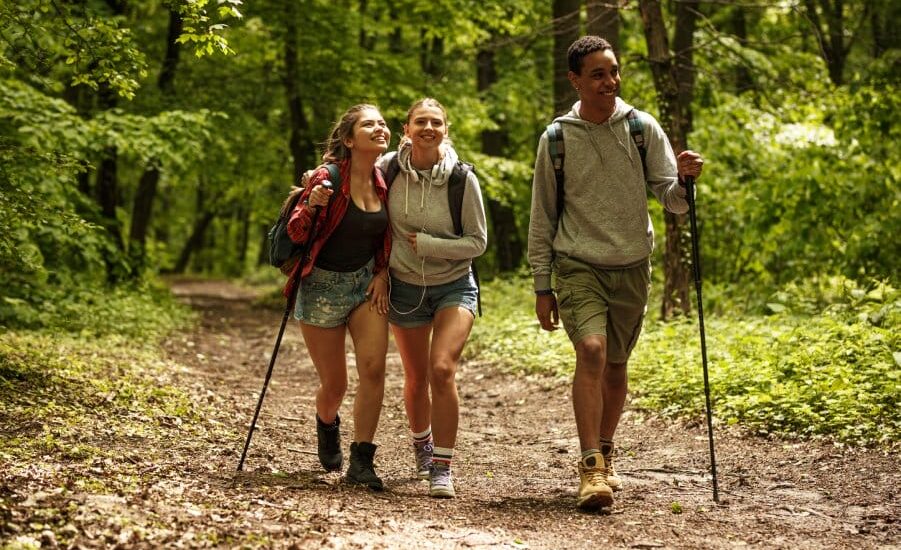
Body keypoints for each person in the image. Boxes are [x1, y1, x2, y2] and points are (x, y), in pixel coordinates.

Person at [527, 36, 705, 511]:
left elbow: (671, 199)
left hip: (631, 265)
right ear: (576, 80)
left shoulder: (642, 128)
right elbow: (542, 215)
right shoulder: (557, 139)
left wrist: (685, 180)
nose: (610, 82)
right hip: (577, 264)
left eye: (614, 71)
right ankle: (589, 467)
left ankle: (605, 449)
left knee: (617, 365)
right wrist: (542, 285)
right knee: (591, 350)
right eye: (598, 74)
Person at [377, 98, 488, 498]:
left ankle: (442, 465)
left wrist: (428, 244)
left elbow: (478, 242)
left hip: (455, 283)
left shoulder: (462, 178)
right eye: (420, 121)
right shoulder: (386, 170)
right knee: (415, 376)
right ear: (405, 130)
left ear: (446, 129)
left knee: (441, 370)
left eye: (435, 122)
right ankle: (421, 444)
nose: (428, 127)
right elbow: (353, 189)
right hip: (404, 286)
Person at [285, 104, 392, 490]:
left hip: (365, 287)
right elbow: (296, 235)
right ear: (349, 139)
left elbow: (387, 236)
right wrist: (311, 206)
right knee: (336, 386)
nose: (380, 128)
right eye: (369, 124)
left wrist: (382, 272)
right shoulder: (326, 178)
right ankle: (327, 422)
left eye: (382, 123)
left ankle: (362, 460)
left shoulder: (385, 179)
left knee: (374, 369)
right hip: (320, 290)